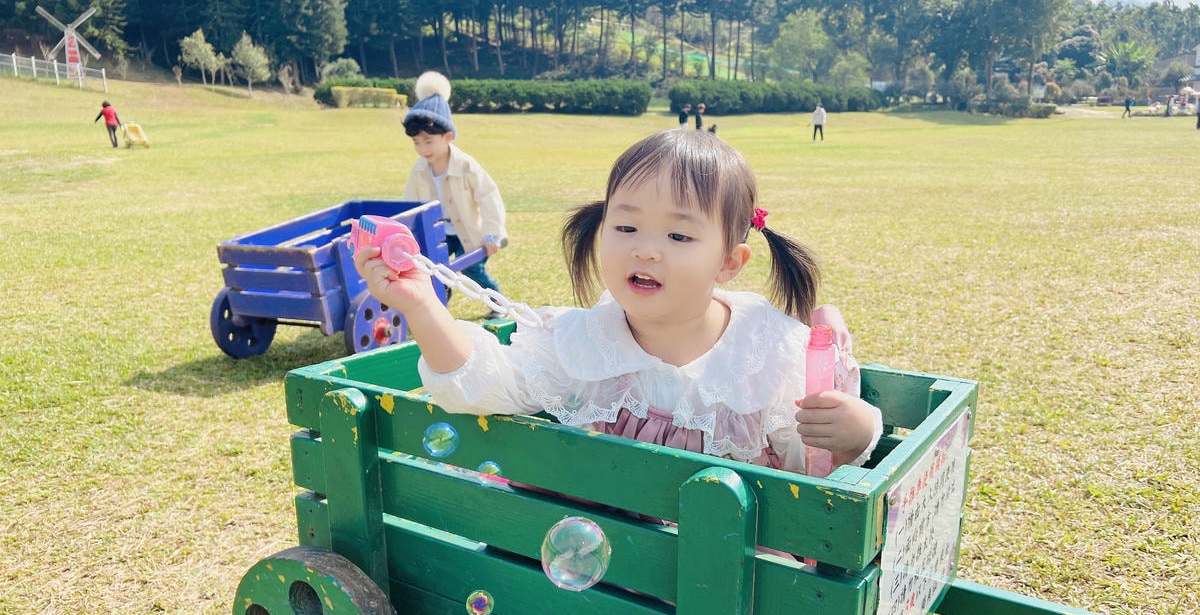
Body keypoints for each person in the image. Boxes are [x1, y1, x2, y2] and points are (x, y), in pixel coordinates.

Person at [356, 129, 881, 476]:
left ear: (729, 263)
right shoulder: (588, 342)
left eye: (679, 237)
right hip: (619, 569)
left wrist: (856, 434)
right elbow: (488, 383)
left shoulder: (769, 353)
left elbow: (814, 470)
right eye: (626, 226)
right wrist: (421, 304)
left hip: (732, 578)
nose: (645, 249)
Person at [401, 71, 508, 318]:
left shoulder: (466, 166)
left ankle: (497, 302)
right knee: (431, 267)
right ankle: (440, 296)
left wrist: (493, 233)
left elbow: (489, 196)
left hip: (468, 231)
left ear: (447, 136)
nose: (422, 149)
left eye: (428, 141)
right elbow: (409, 205)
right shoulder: (419, 170)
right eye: (417, 143)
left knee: (471, 268)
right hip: (437, 230)